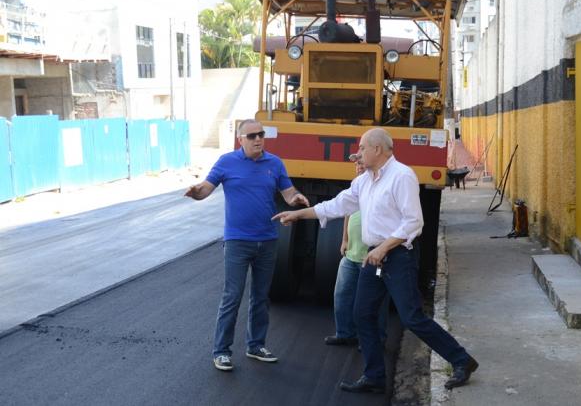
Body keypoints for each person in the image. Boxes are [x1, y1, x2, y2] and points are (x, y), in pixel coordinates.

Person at [273, 128, 478, 393]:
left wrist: (384, 247)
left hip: (398, 256)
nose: (358, 154)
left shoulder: (401, 176)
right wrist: (298, 215)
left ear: (378, 149)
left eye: (362, 148)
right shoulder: (364, 181)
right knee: (363, 315)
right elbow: (336, 205)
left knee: (412, 317)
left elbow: (414, 222)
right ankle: (374, 377)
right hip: (375, 257)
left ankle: (461, 360)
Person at [185, 119, 309, 372]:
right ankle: (221, 351)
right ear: (240, 139)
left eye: (261, 134)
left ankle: (256, 346)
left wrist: (296, 198)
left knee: (261, 297)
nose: (257, 139)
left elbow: (288, 192)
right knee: (232, 296)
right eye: (251, 136)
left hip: (267, 240)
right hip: (237, 241)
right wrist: (196, 192)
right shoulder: (226, 162)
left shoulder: (274, 163)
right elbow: (206, 190)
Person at [325, 156, 389, 348]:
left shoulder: (383, 187)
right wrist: (344, 239)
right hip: (351, 253)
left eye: (361, 163)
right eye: (356, 164)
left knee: (374, 301)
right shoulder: (356, 186)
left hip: (372, 257)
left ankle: (375, 339)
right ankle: (345, 333)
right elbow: (347, 211)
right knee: (342, 294)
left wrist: (383, 250)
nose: (357, 167)